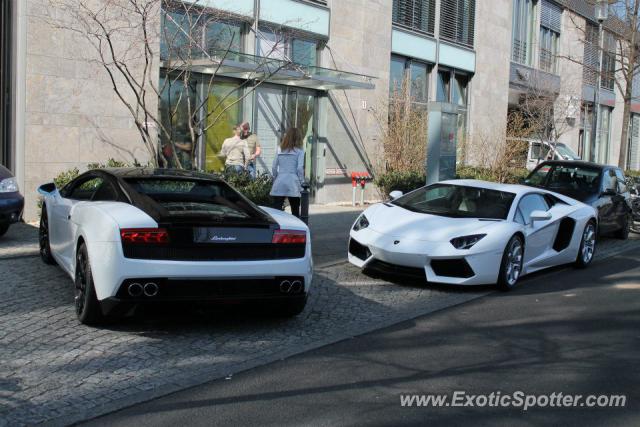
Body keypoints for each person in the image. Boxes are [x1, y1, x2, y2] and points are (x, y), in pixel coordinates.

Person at [270, 127, 305, 218]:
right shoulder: (300, 151)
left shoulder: (279, 149)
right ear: (298, 138)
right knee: (295, 211)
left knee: (276, 212)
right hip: (293, 182)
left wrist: (275, 178)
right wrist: (302, 182)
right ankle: (296, 230)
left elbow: (274, 167)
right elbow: (300, 168)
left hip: (280, 180)